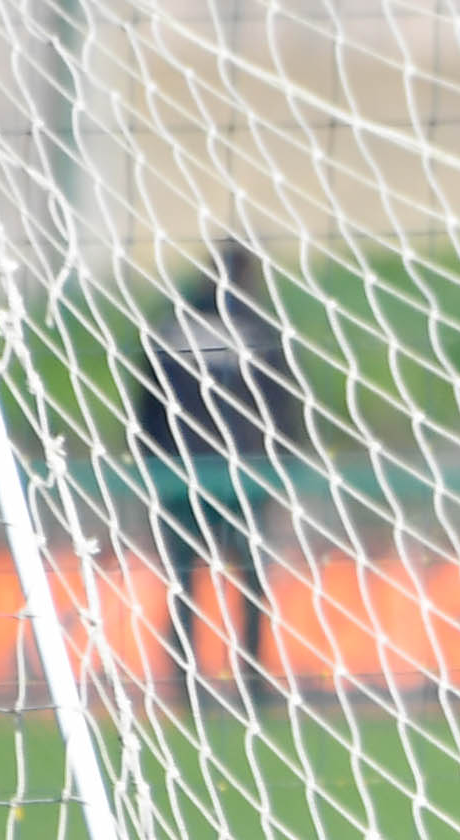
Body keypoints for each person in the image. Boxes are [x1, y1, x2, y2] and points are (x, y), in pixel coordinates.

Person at [132, 239, 302, 709]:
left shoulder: (172, 326)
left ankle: (184, 681)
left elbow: (146, 405)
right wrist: (283, 466)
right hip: (242, 477)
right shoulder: (259, 330)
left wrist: (150, 461)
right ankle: (252, 680)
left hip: (180, 473)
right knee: (249, 579)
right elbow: (283, 405)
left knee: (184, 580)